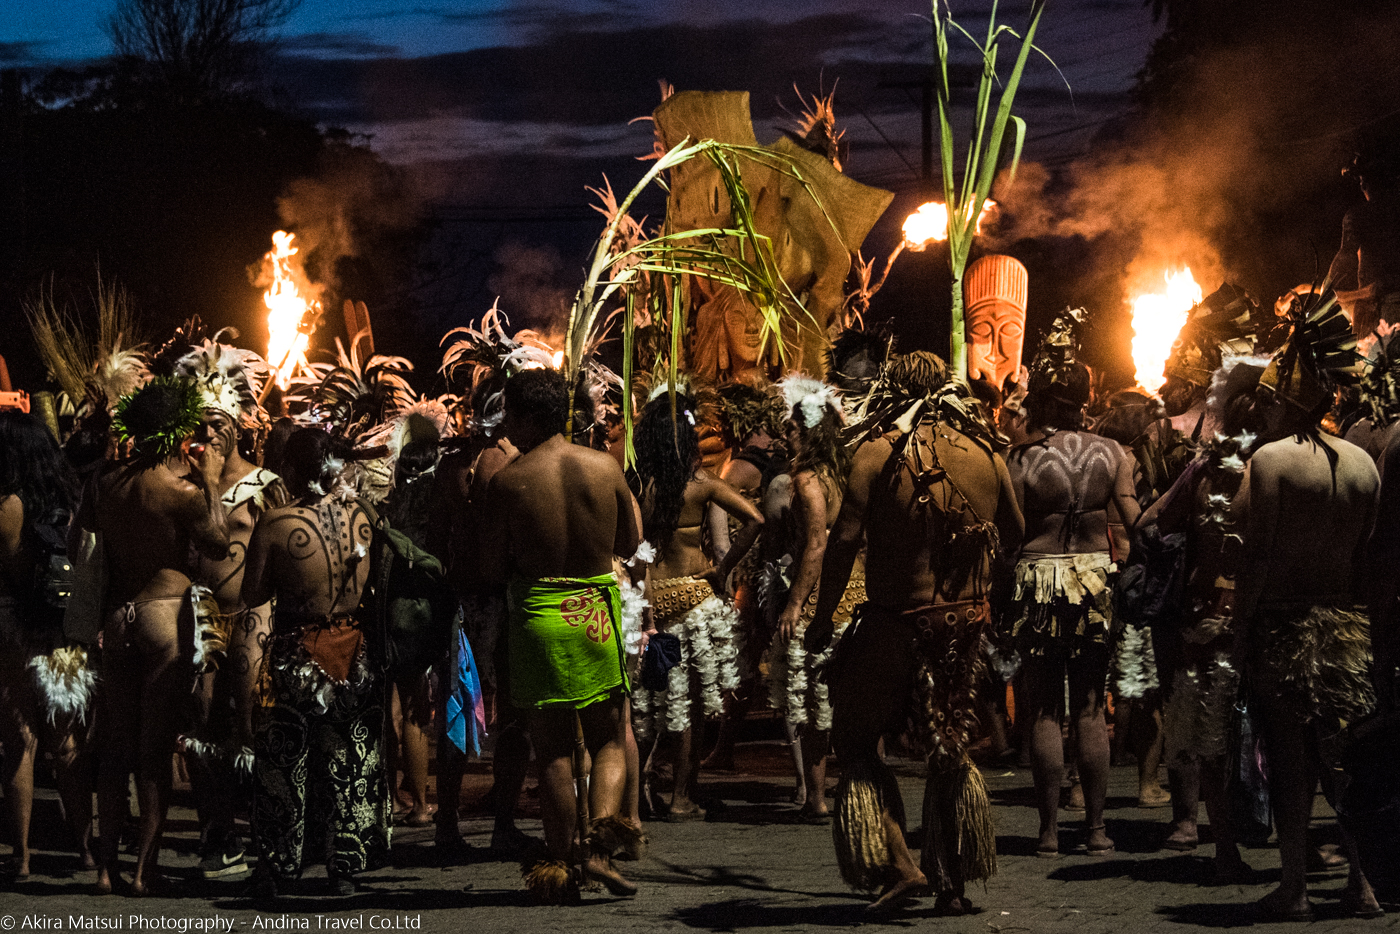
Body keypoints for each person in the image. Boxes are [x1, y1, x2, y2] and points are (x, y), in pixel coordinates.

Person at [807, 352, 1023, 914]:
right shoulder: (986, 452)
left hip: (897, 619)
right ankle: (951, 883)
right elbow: (1015, 530)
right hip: (965, 621)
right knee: (947, 748)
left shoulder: (877, 452)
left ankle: (902, 866)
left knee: (855, 737)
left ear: (889, 391)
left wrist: (823, 618)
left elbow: (844, 541)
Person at [1240, 299, 1382, 920]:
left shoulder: (1270, 462)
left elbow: (1256, 557)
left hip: (1284, 626)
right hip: (1345, 626)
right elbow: (1367, 554)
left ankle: (1295, 888)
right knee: (1344, 760)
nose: (1262, 412)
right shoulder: (1363, 464)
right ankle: (1363, 883)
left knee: (1291, 760)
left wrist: (1239, 630)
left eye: (1268, 402)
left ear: (1286, 400)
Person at [479, 368, 642, 902]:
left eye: (510, 413)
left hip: (539, 619)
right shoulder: (603, 466)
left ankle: (563, 863)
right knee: (608, 739)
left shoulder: (510, 482)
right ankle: (599, 853)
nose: (505, 424)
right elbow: (630, 541)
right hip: (594, 615)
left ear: (528, 416)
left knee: (552, 751)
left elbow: (489, 564)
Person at [75, 376, 231, 895]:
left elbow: (85, 528)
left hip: (119, 619)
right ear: (178, 430)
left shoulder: (105, 482)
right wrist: (210, 481)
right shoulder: (181, 492)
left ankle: (106, 870)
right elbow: (218, 544)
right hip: (164, 617)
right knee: (153, 751)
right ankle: (144, 871)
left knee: (115, 748)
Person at [241, 428, 390, 897]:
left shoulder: (276, 523)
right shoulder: (365, 514)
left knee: (285, 762)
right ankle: (344, 866)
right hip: (356, 650)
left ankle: (279, 867)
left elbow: (252, 593)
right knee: (351, 759)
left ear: (291, 468)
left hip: (298, 653)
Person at [1005, 353, 1140, 860]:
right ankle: (1097, 830)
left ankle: (1047, 834)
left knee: (1043, 709)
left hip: (1039, 576)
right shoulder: (1112, 452)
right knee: (1089, 706)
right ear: (1085, 399)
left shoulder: (1022, 459)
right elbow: (1133, 518)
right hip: (1094, 578)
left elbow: (1009, 530)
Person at [1143, 354, 1271, 883]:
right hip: (1266, 612)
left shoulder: (1209, 468)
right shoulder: (1280, 464)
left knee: (1211, 732)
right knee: (1278, 730)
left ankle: (1221, 846)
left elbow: (1154, 522)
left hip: (1211, 614)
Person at [173, 337, 286, 880]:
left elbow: (285, 550)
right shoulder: (184, 486)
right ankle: (217, 831)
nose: (207, 434)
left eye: (216, 424)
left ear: (238, 425)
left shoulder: (265, 485)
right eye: (199, 425)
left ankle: (270, 830)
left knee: (251, 722)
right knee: (200, 722)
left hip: (250, 615)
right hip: (198, 615)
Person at [629, 388, 764, 822]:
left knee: (647, 701)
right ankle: (681, 798)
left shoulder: (638, 486)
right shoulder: (701, 484)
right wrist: (722, 571)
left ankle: (637, 791)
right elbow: (755, 520)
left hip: (649, 597)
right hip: (693, 599)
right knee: (687, 705)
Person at [761, 376, 864, 821]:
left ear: (808, 432)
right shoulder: (845, 474)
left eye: (791, 429)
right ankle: (855, 787)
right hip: (856, 594)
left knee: (812, 701)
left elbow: (816, 544)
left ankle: (817, 798)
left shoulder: (805, 480)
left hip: (822, 600)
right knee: (849, 699)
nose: (784, 436)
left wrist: (795, 603)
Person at [0, 411, 94, 879]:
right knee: (67, 743)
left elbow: (9, 569)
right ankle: (86, 849)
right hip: (63, 630)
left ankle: (21, 856)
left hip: (15, 626)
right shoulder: (71, 501)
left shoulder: (8, 506)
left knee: (20, 739)